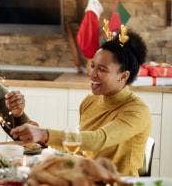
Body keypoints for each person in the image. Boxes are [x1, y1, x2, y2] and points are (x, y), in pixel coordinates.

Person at [10, 28, 151, 176]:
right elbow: (80, 146)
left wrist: (44, 134)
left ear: (123, 76)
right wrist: (29, 125)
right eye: (92, 66)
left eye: (102, 69)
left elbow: (98, 139)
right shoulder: (90, 101)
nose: (93, 74)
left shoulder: (136, 110)